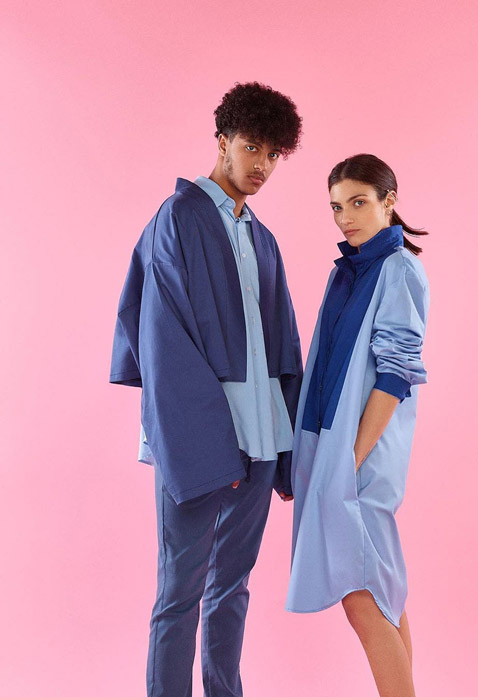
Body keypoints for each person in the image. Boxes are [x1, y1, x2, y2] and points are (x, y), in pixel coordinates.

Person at [109, 81, 303, 697]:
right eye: (251, 147)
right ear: (222, 141)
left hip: (261, 436)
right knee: (179, 591)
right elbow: (161, 338)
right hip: (198, 435)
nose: (261, 165)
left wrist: (288, 442)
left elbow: (284, 345)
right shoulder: (178, 218)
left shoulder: (261, 236)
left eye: (273, 154)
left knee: (232, 584)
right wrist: (205, 439)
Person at [286, 154, 429, 697]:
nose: (345, 217)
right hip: (335, 450)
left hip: (362, 455)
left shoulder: (398, 268)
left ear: (389, 201)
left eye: (358, 202)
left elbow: (397, 374)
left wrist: (349, 459)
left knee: (363, 596)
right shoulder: (346, 272)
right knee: (382, 592)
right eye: (336, 207)